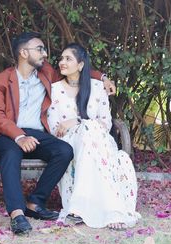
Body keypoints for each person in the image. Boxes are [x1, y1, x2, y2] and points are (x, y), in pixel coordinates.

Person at [0, 33, 115, 235]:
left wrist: (103, 77)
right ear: (24, 53)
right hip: (6, 135)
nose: (45, 54)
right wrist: (19, 137)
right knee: (10, 153)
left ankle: (35, 203)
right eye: (40, 49)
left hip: (36, 133)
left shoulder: (46, 74)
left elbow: (77, 70)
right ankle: (17, 214)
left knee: (64, 150)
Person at [47, 43, 141, 229]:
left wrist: (78, 122)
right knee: (86, 135)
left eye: (68, 59)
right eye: (61, 58)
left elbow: (105, 124)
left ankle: (79, 207)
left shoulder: (98, 88)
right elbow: (55, 128)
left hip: (98, 142)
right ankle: (112, 209)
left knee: (89, 134)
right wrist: (80, 127)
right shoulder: (54, 89)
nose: (62, 62)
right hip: (69, 144)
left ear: (80, 65)